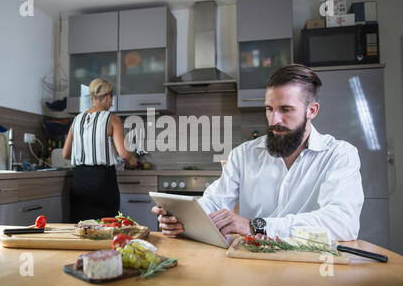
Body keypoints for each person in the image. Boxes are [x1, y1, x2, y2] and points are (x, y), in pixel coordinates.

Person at [152, 64, 364, 241]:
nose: (274, 120)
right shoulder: (243, 155)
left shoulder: (339, 155)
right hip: (250, 262)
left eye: (286, 109)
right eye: (269, 109)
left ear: (312, 111)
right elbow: (214, 202)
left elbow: (343, 222)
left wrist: (256, 226)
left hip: (312, 268)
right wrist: (183, 218)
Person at [63, 78, 138, 222]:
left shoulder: (77, 119)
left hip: (79, 181)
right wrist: (133, 161)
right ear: (108, 96)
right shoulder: (112, 118)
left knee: (81, 227)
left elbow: (66, 154)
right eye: (111, 99)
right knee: (106, 226)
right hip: (102, 182)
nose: (112, 103)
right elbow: (123, 153)